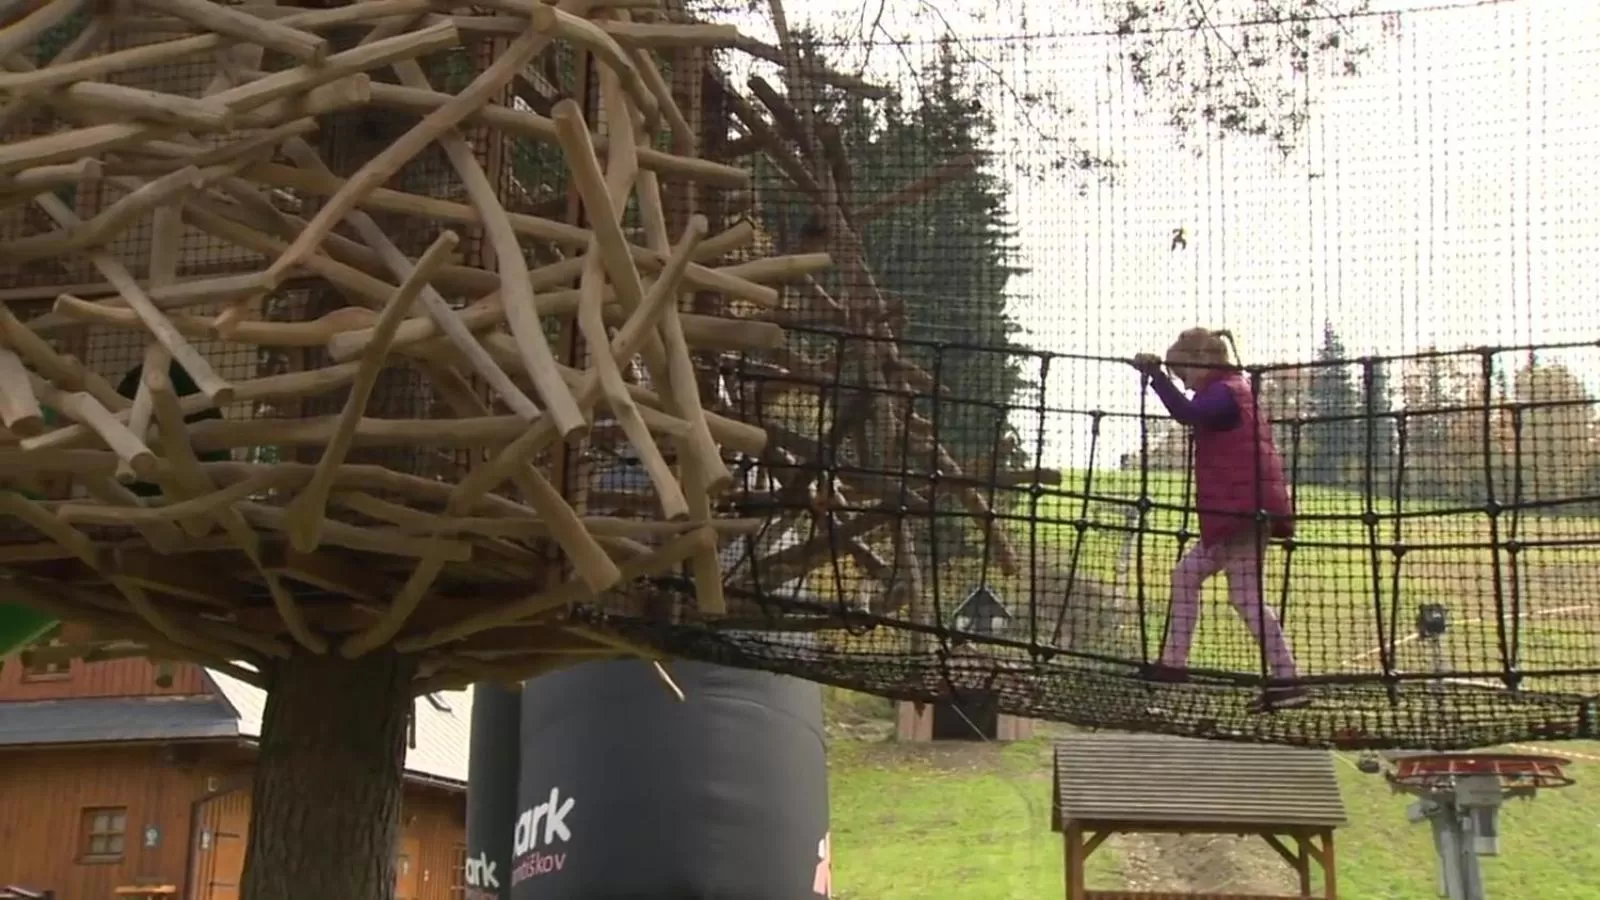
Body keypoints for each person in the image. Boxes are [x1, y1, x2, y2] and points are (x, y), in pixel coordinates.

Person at [1132, 327, 1306, 712]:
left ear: (1204, 361)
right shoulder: (1231, 388)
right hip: (1237, 512)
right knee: (1186, 576)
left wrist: (1157, 377)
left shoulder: (1227, 393)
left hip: (1243, 513)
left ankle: (1287, 678)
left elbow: (1188, 413)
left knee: (1245, 599)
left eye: (1184, 374)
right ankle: (1173, 665)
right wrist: (1163, 377)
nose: (1185, 383)